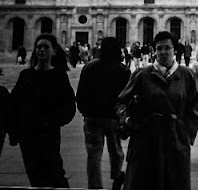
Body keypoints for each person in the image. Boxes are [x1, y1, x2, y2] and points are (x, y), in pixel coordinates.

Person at [116, 31, 198, 190]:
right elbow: (121, 102)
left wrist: (186, 134)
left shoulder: (186, 74)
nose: (163, 52)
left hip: (175, 139)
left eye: (167, 48)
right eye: (159, 48)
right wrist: (127, 120)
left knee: (174, 183)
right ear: (154, 51)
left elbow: (193, 106)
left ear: (174, 49)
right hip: (145, 139)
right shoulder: (142, 74)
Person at [8, 34, 76, 188]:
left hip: (49, 134)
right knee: (34, 175)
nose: (42, 50)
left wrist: (52, 121)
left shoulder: (58, 76)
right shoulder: (26, 75)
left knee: (55, 173)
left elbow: (69, 106)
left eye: (46, 47)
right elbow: (13, 104)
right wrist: (14, 130)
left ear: (53, 51)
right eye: (39, 47)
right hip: (28, 135)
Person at [76, 37, 130, 190]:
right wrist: (124, 116)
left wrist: (84, 111)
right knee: (116, 150)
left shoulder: (89, 66)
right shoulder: (123, 69)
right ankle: (117, 174)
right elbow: (127, 96)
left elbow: (81, 92)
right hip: (113, 117)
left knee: (93, 154)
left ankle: (95, 185)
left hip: (92, 117)